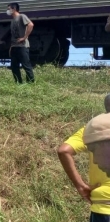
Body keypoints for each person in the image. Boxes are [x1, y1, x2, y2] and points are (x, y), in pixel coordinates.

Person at [58, 94, 110, 222]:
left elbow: (64, 150)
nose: (95, 160)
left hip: (103, 205)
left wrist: (80, 186)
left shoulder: (92, 129)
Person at [7, 2, 35, 84]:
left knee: (26, 65)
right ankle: (18, 82)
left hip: (22, 46)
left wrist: (24, 37)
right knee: (14, 67)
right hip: (14, 46)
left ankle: (31, 82)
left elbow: (31, 25)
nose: (8, 11)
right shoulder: (12, 20)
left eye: (9, 9)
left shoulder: (22, 16)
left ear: (14, 9)